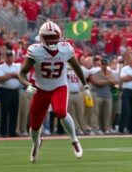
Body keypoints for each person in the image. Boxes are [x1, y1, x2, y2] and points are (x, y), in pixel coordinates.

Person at [18, 22, 90, 162]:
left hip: (59, 86)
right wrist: (28, 84)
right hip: (41, 89)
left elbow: (76, 67)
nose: (51, 40)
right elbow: (22, 73)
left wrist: (85, 85)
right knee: (35, 125)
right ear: (41, 37)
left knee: (60, 112)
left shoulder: (65, 48)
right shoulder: (35, 50)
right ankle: (36, 143)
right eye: (48, 37)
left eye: (53, 37)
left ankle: (74, 140)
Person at [0, 50, 21, 137]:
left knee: (14, 111)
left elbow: (21, 76)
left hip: (15, 91)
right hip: (4, 91)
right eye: (8, 56)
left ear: (13, 57)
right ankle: (3, 132)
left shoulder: (17, 66)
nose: (9, 58)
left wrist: (8, 75)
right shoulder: (1, 67)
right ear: (5, 57)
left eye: (10, 56)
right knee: (4, 111)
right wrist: (12, 75)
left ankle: (12, 131)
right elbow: (0, 79)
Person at [89, 58, 116, 134]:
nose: (104, 66)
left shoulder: (110, 72)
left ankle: (107, 128)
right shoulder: (96, 73)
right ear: (100, 65)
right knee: (96, 113)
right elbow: (97, 82)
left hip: (108, 95)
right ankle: (96, 129)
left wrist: (105, 81)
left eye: (105, 64)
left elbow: (114, 81)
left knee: (107, 113)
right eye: (103, 65)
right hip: (98, 95)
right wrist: (108, 80)